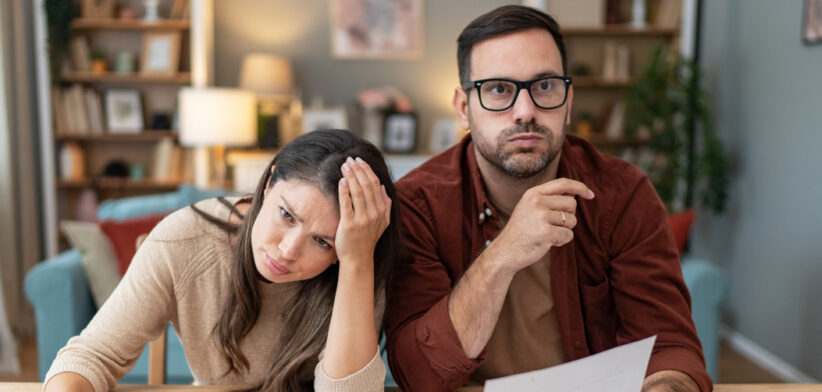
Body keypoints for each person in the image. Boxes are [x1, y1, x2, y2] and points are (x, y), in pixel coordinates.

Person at [384, 5, 711, 392]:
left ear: (568, 101)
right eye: (499, 89)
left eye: (545, 86)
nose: (526, 111)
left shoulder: (623, 195)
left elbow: (667, 346)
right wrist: (503, 254)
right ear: (463, 109)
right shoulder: (418, 205)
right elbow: (416, 372)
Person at [45, 129, 401, 392]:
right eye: (286, 215)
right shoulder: (184, 240)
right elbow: (90, 357)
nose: (288, 250)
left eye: (322, 241)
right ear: (269, 182)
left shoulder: (357, 255)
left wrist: (356, 261)